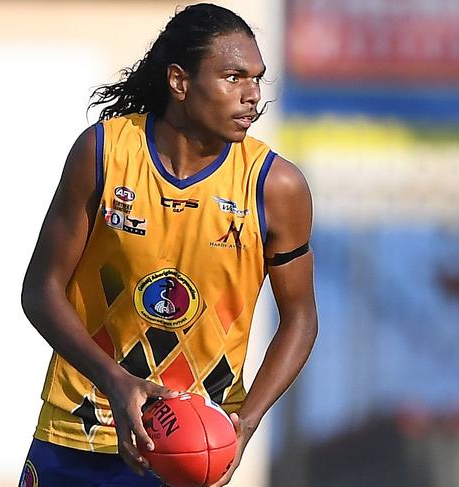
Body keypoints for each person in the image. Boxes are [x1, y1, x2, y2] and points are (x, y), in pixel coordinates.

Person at [19, 3, 317, 486]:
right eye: (233, 77)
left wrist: (246, 422)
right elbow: (40, 290)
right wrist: (114, 381)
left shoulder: (275, 186)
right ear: (179, 81)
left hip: (185, 448)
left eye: (257, 79)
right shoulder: (103, 153)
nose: (252, 96)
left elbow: (300, 319)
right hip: (79, 430)